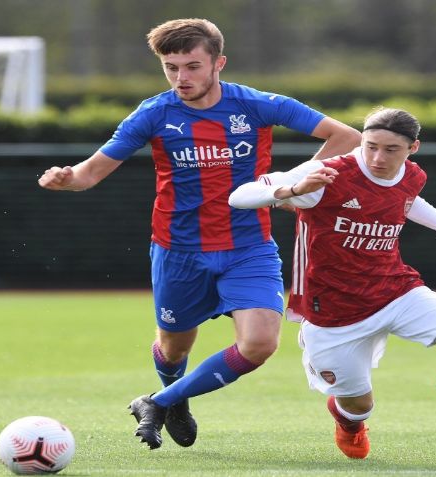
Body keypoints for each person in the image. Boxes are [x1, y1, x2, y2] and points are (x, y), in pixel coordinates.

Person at [37, 18, 360, 450]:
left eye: (191, 66)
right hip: (178, 252)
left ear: (218, 63)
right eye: (171, 68)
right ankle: (176, 398)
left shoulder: (257, 104)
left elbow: (347, 136)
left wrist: (287, 187)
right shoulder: (154, 113)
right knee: (172, 350)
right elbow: (90, 173)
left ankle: (160, 401)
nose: (180, 78)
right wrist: (64, 178)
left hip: (249, 246)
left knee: (261, 342)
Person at [228, 107, 436, 459]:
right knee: (357, 404)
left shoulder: (412, 175)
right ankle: (349, 423)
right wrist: (291, 189)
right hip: (333, 310)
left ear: (413, 149)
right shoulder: (328, 174)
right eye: (370, 146)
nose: (378, 158)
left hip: (394, 289)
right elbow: (239, 196)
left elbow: (408, 201)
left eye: (390, 150)